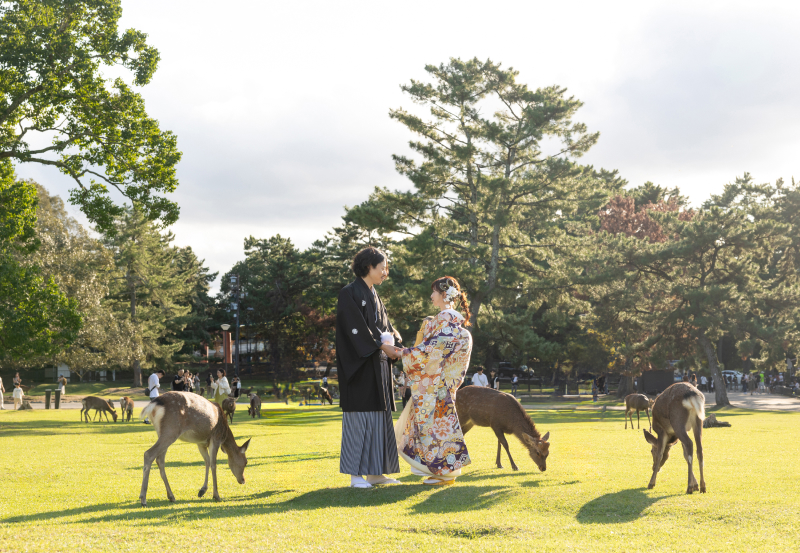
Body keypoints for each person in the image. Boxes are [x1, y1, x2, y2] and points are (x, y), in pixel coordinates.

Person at [395, 275, 473, 486]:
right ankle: (443, 472)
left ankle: (445, 473)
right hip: (440, 386)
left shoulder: (448, 327)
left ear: (444, 295)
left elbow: (429, 354)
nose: (431, 296)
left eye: (434, 292)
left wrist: (401, 353)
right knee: (439, 431)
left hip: (438, 387)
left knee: (439, 431)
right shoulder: (448, 326)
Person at [336, 247, 403, 489]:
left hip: (378, 366)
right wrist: (380, 346)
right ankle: (356, 474)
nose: (386, 272)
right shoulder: (349, 293)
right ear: (368, 267)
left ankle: (376, 472)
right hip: (360, 367)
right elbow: (355, 330)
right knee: (360, 419)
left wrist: (396, 345)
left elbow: (387, 328)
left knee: (379, 419)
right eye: (382, 267)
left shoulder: (374, 295)